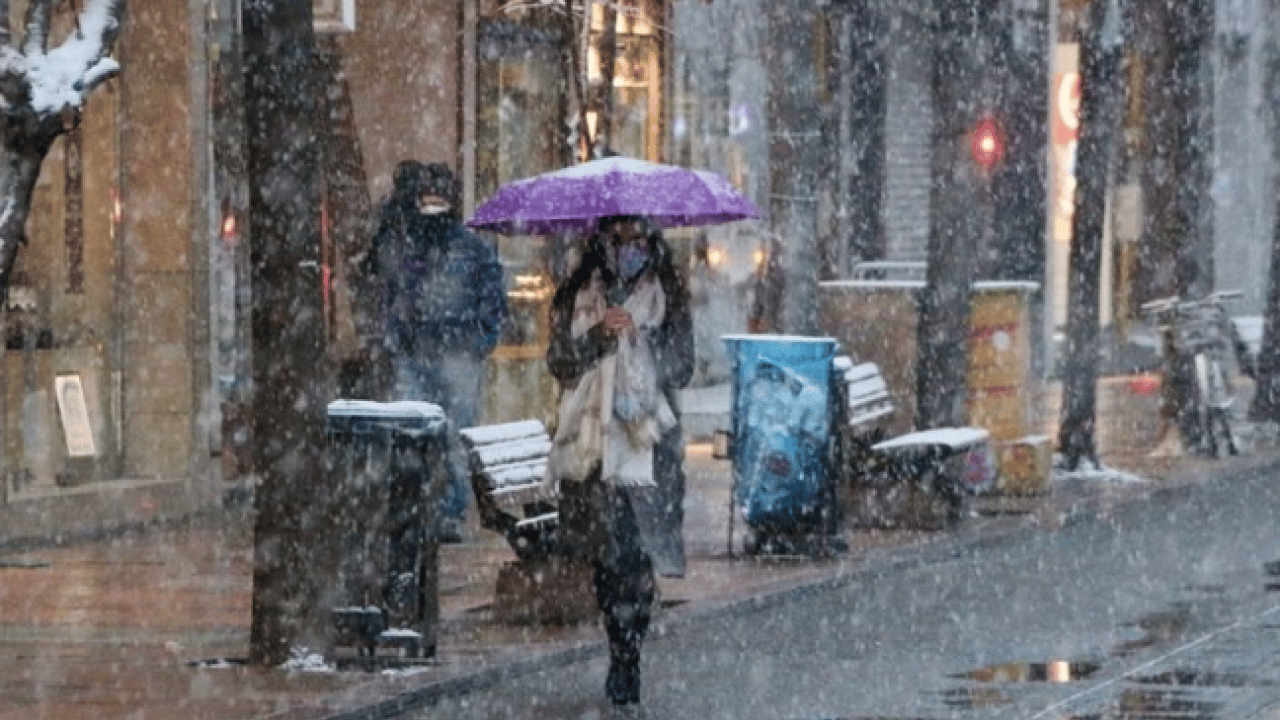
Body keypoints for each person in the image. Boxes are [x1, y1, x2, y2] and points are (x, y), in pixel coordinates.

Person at [545, 215, 694, 705]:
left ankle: (630, 651)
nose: (629, 248)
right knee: (609, 559)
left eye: (638, 238)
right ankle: (619, 645)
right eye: (619, 238)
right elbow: (560, 361)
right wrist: (600, 336)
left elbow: (682, 366)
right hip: (594, 446)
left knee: (638, 555)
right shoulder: (578, 292)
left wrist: (639, 339)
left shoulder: (666, 294)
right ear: (602, 241)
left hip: (648, 442)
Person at [363, 160, 508, 542]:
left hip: (455, 356)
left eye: (438, 199)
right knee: (414, 434)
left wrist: (478, 341)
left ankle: (448, 512)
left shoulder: (468, 248)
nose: (432, 208)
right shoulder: (413, 245)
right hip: (420, 353)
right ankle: (418, 509)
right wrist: (399, 336)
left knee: (452, 437)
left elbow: (492, 297)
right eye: (427, 199)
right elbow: (391, 290)